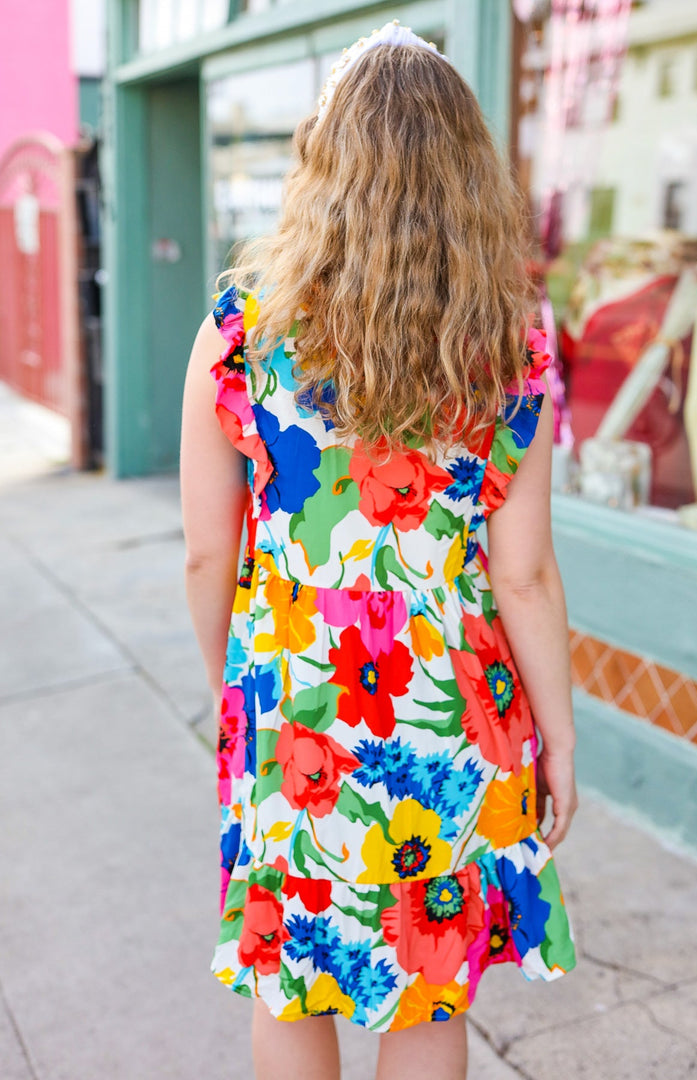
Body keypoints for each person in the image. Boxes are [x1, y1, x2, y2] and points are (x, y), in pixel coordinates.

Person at [180, 22, 578, 1080]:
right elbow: (525, 572)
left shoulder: (241, 326)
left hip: (294, 709)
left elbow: (203, 559)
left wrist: (241, 689)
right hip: (451, 711)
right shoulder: (514, 341)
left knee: (288, 978)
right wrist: (562, 739)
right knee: (426, 998)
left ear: (323, 163)